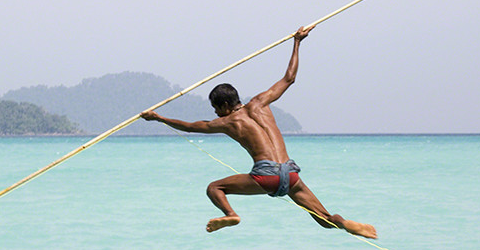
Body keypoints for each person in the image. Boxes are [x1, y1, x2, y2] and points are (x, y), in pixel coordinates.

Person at [141, 26, 378, 239]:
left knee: (214, 188)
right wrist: (297, 42)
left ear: (224, 106)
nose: (217, 114)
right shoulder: (261, 103)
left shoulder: (228, 122)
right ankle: (344, 223)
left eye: (216, 109)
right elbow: (289, 78)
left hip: (266, 175)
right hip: (291, 172)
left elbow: (192, 126)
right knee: (324, 220)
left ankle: (231, 214)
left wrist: (158, 118)